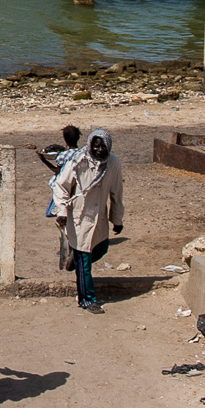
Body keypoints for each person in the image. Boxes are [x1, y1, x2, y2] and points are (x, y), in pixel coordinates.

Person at [52, 129, 125, 313]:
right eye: (96, 146)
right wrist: (61, 211)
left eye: (103, 146)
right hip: (78, 216)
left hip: (99, 217)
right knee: (84, 260)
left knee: (101, 248)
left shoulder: (113, 163)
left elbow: (116, 192)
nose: (100, 150)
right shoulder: (78, 160)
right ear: (90, 144)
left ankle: (74, 262)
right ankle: (87, 299)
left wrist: (117, 219)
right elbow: (61, 185)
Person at [33, 124, 82, 217]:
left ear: (65, 139)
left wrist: (44, 160)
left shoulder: (63, 155)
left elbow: (58, 171)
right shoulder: (81, 153)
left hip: (65, 186)